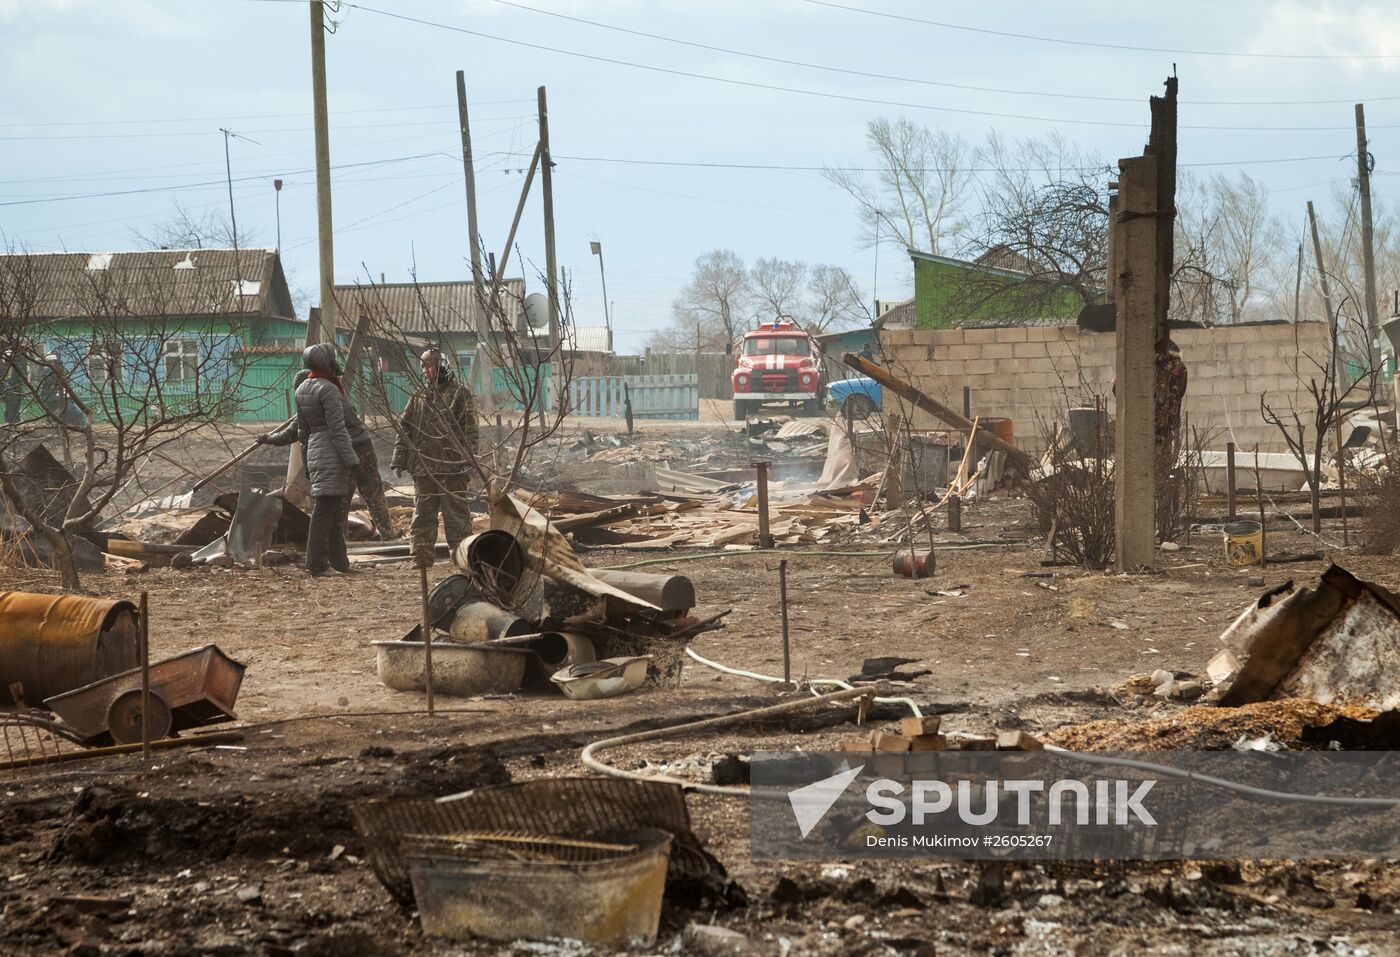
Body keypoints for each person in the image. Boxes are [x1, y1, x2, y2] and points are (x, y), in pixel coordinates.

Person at [260, 368, 396, 541]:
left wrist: (270, 439)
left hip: (352, 451)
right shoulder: (333, 394)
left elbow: (296, 431)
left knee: (350, 497)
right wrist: (268, 439)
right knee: (361, 495)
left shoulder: (324, 401)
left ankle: (345, 541)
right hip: (358, 448)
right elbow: (295, 431)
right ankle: (366, 538)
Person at [268, 343, 359, 576]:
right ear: (326, 362)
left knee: (329, 511)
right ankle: (317, 564)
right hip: (331, 452)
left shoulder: (303, 389)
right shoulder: (328, 389)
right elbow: (338, 430)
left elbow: (302, 432)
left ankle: (339, 564)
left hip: (316, 452)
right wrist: (352, 461)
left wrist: (308, 462)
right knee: (325, 512)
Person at [391, 348, 478, 567]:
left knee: (457, 518)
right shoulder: (419, 397)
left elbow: (471, 431)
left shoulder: (460, 394)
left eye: (429, 365)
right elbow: (405, 430)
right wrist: (398, 459)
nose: (425, 370)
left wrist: (469, 460)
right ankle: (420, 558)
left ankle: (463, 558)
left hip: (452, 468)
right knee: (423, 516)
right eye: (423, 366)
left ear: (442, 365)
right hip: (424, 468)